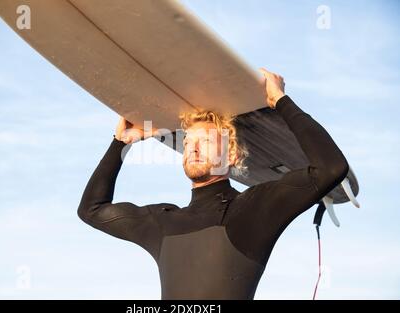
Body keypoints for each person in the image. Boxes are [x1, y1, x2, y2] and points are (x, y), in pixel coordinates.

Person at [77, 68, 349, 299]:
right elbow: (91, 209)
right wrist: (120, 144)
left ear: (231, 154)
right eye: (188, 142)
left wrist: (281, 101)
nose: (193, 149)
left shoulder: (253, 210)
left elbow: (331, 168)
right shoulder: (162, 221)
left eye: (205, 141)